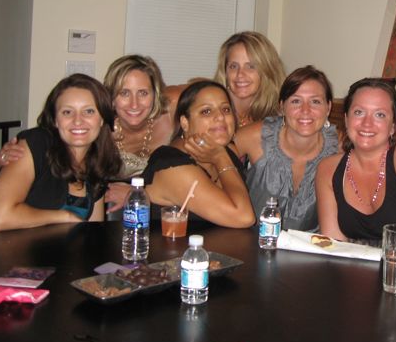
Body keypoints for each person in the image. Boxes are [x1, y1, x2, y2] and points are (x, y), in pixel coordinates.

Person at [0, 54, 176, 180]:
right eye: (124, 93)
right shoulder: (94, 125)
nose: (134, 104)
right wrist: (6, 159)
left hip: (154, 203)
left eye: (143, 93)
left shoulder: (171, 113)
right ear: (111, 96)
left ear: (155, 93)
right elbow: (50, 146)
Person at [0, 74, 122, 231]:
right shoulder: (36, 143)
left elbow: (92, 230)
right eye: (67, 112)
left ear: (102, 119)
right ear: (56, 120)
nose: (78, 120)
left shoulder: (98, 163)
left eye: (89, 111)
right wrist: (65, 217)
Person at [226, 66, 338, 231]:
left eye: (315, 101)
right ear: (282, 107)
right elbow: (215, 162)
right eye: (295, 101)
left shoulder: (339, 149)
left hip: (310, 246)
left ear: (328, 107)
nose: (305, 110)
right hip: (248, 242)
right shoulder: (256, 136)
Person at [316, 78, 396, 244]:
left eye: (379, 115)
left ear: (393, 125)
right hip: (350, 260)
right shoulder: (328, 169)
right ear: (346, 119)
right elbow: (333, 245)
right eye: (359, 112)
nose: (367, 123)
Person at [141, 81, 255, 228]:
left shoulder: (223, 151)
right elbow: (244, 217)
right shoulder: (173, 166)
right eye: (206, 111)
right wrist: (221, 159)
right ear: (185, 123)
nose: (220, 117)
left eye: (226, 109)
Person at [214, 31, 285, 127]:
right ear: (225, 71)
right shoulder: (210, 111)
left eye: (250, 66)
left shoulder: (279, 117)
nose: (240, 74)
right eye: (233, 66)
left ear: (267, 71)